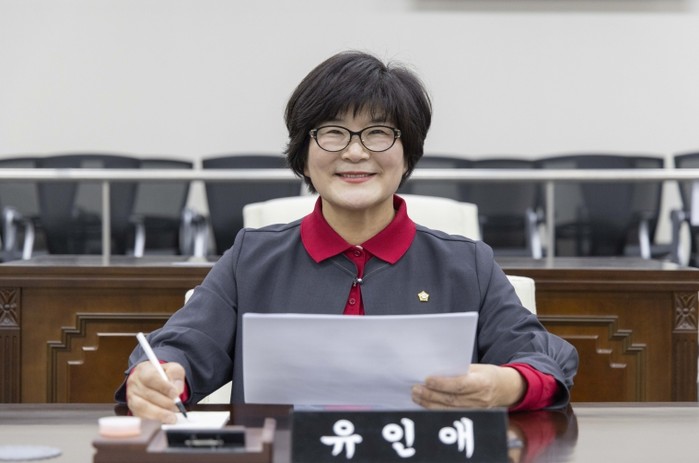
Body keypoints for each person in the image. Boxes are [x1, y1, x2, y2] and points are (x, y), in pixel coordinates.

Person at [116, 50, 578, 423]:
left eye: (378, 133)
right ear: (303, 152)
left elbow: (544, 358)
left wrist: (507, 385)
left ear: (408, 152)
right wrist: (156, 378)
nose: (355, 152)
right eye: (333, 133)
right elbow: (177, 348)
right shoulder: (251, 258)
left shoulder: (466, 264)